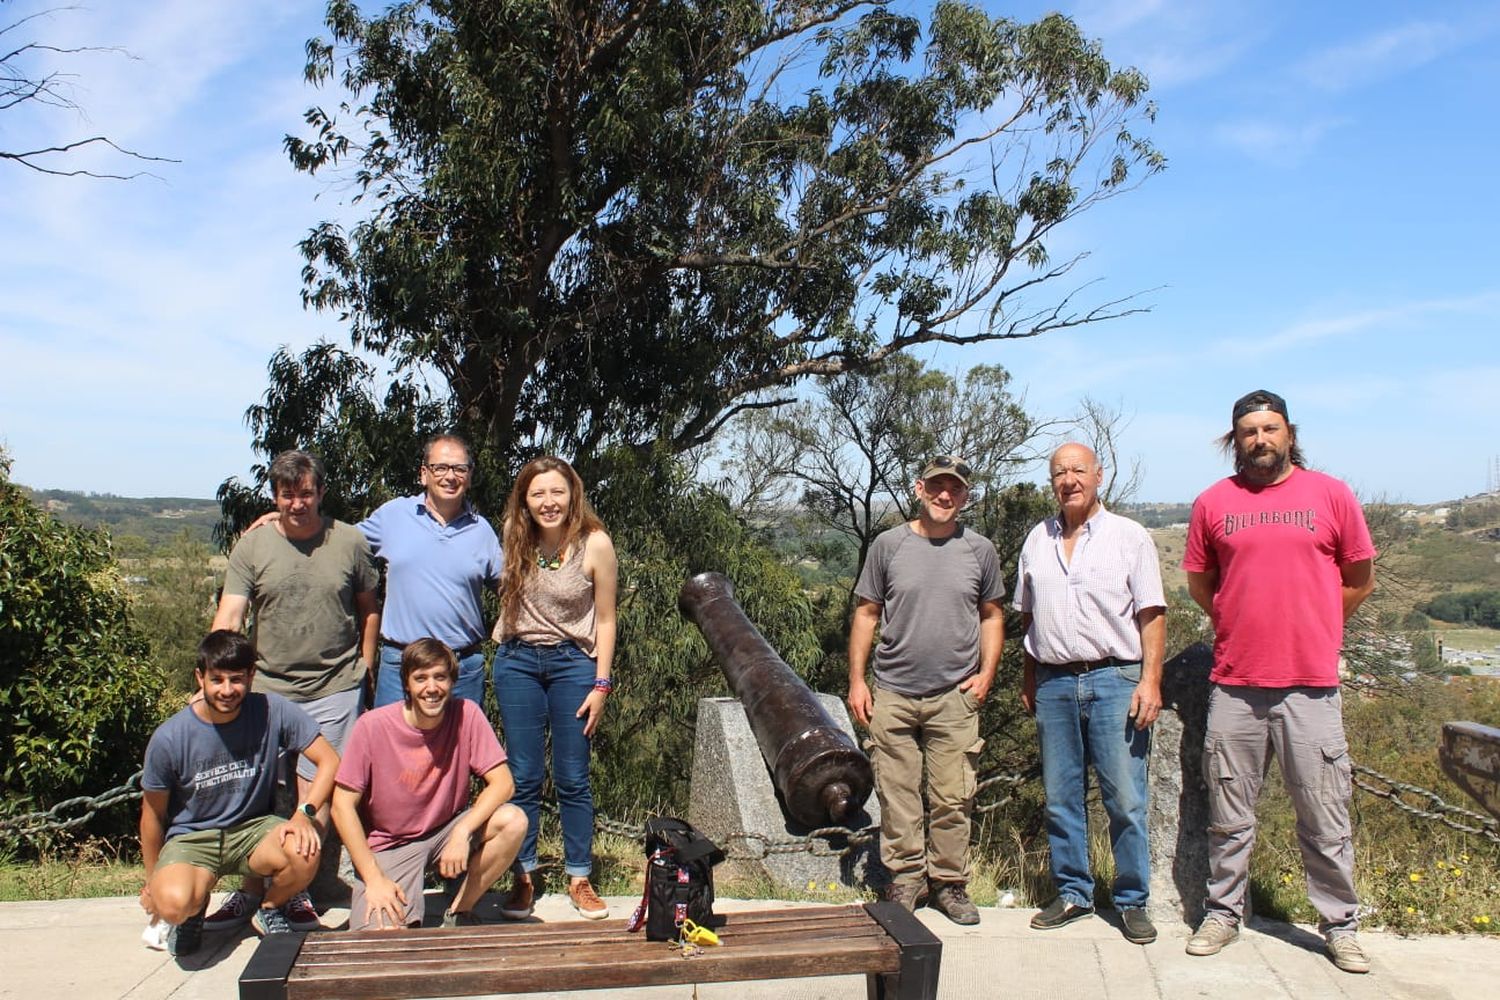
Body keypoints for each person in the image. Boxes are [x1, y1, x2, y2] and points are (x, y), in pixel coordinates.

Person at [1182, 390, 1376, 974]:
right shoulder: (1213, 503)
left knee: (1323, 814)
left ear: (1289, 432)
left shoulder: (1331, 495)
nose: (1259, 440)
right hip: (1236, 684)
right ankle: (1222, 914)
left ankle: (1340, 925)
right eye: (1248, 432)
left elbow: (1359, 577)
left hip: (1310, 685)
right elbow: (1201, 584)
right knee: (1229, 812)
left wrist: (1314, 622)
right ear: (1233, 440)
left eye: (1269, 429)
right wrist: (1240, 622)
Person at [207, 449, 380, 931]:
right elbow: (231, 616)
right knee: (260, 794)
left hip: (335, 685)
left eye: (306, 493)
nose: (297, 504)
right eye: (287, 495)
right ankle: (252, 888)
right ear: (275, 495)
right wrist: (211, 681)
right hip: (266, 689)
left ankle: (295, 890)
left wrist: (366, 664)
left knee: (316, 792)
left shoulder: (349, 542)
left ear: (321, 492)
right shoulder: (253, 547)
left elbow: (368, 606)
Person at [1015, 443, 1166, 944]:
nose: (1069, 479)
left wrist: (1150, 680)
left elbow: (1151, 614)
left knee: (1125, 797)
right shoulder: (1038, 539)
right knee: (1061, 796)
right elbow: (1028, 617)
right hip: (1055, 681)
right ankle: (1074, 892)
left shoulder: (1130, 537)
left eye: (1078, 470)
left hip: (1114, 678)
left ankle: (1131, 900)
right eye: (1060, 472)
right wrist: (1028, 677)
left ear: (1098, 475)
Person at [847, 455, 1005, 926]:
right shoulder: (888, 546)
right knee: (897, 795)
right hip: (893, 692)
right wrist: (857, 681)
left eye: (954, 489)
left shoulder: (980, 550)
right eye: (937, 485)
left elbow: (992, 615)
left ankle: (950, 884)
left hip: (954, 695)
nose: (944, 495)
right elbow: (866, 613)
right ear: (919, 488)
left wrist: (987, 674)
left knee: (954, 796)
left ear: (965, 496)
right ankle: (905, 879)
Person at [139, 631, 339, 955]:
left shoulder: (271, 710)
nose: (227, 690)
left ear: (251, 676)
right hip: (193, 838)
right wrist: (152, 882)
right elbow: (152, 816)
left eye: (237, 679)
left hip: (252, 831)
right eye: (217, 680)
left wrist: (305, 813)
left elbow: (329, 760)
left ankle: (270, 906)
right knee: (173, 904)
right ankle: (192, 909)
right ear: (199, 677)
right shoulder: (170, 737)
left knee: (304, 850)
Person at [491, 456, 618, 920]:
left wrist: (602, 683)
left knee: (572, 776)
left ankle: (579, 876)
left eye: (557, 492)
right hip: (518, 661)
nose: (549, 502)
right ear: (524, 500)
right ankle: (522, 876)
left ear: (573, 494)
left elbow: (606, 618)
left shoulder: (595, 544)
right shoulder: (513, 536)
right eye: (538, 493)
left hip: (573, 665)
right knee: (522, 775)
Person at [331, 638, 528, 929]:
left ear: (452, 681)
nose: (431, 688)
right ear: (407, 684)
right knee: (379, 940)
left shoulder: (467, 714)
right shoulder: (372, 726)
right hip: (392, 843)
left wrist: (462, 831)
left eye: (440, 677)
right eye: (420, 678)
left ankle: (460, 911)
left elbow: (503, 784)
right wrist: (373, 878)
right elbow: (341, 806)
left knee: (513, 820)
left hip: (446, 829)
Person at [359, 434, 503, 708]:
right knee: (392, 749)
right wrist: (286, 527)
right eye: (441, 468)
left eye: (459, 469)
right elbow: (340, 543)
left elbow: (511, 587)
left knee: (461, 751)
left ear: (469, 476)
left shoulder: (481, 530)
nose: (450, 476)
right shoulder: (393, 516)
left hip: (461, 669)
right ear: (424, 474)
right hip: (401, 666)